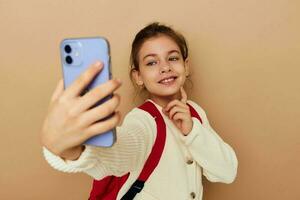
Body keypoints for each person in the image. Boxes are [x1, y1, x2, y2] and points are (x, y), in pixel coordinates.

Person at [40, 22, 238, 200]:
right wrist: (69, 150)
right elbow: (117, 153)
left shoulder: (196, 113)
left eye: (173, 58)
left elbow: (227, 172)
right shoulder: (143, 120)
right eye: (152, 62)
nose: (165, 67)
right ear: (138, 76)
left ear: (186, 66)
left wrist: (192, 131)